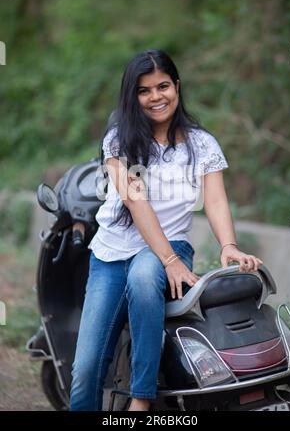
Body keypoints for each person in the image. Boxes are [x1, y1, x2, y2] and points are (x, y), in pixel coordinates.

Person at [69, 49, 263, 411]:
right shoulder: (120, 141)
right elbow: (136, 202)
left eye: (163, 86)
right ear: (132, 96)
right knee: (85, 370)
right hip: (112, 255)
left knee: (145, 275)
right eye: (144, 90)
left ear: (177, 86)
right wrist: (170, 261)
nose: (156, 97)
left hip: (169, 243)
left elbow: (216, 201)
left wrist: (228, 245)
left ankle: (141, 399)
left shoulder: (201, 144)